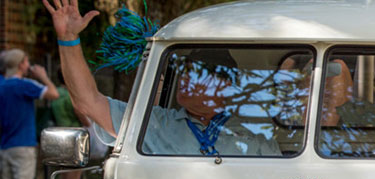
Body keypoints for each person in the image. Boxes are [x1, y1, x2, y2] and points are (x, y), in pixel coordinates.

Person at [44, 0, 279, 157]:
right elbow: (88, 102)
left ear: (224, 85)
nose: (184, 79)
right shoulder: (152, 125)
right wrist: (68, 39)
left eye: (197, 73)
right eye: (184, 70)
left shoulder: (256, 136)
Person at [0, 49, 59, 179]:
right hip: (23, 143)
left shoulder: (2, 85)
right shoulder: (24, 85)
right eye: (26, 61)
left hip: (4, 144)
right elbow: (53, 94)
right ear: (21, 65)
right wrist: (43, 77)